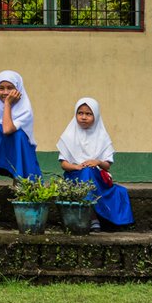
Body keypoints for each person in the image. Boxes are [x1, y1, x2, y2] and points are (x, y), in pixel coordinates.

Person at [57, 97, 134, 229]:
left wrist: (97, 162)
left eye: (89, 114)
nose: (84, 117)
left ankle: (94, 217)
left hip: (96, 179)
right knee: (85, 172)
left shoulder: (102, 137)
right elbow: (63, 164)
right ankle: (92, 218)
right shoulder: (68, 136)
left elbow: (107, 165)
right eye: (80, 113)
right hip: (74, 177)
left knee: (89, 172)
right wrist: (76, 166)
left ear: (96, 116)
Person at [0, 70, 43, 180]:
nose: (5, 92)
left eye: (10, 88)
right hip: (3, 152)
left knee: (19, 135)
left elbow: (7, 129)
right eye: (1, 88)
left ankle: (20, 182)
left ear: (18, 89)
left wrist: (8, 104)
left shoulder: (25, 110)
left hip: (19, 151)